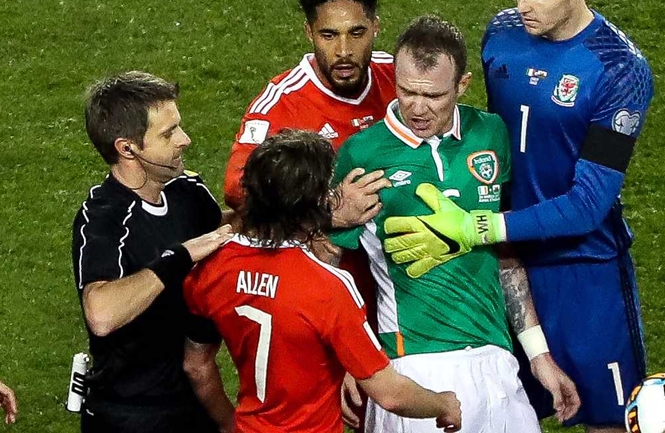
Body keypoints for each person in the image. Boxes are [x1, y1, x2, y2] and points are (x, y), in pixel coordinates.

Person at [384, 0, 654, 430]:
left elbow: (588, 205)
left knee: (608, 419)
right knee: (495, 414)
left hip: (584, 274)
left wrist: (479, 227)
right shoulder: (502, 33)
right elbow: (490, 143)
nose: (524, 5)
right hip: (503, 268)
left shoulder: (619, 68)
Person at [328, 15, 579, 433]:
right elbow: (329, 265)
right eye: (407, 91)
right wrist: (357, 359)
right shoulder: (362, 153)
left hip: (496, 360)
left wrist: (538, 355)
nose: (418, 107)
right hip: (413, 368)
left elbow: (503, 250)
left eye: (433, 96)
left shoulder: (490, 134)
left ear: (461, 86)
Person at [182, 129, 462, 433]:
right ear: (316, 204)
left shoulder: (212, 268)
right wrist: (443, 404)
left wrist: (229, 424)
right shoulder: (328, 287)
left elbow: (196, 367)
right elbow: (389, 393)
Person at [71, 71, 233, 433]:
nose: (185, 140)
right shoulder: (104, 217)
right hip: (129, 417)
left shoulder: (186, 191)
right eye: (168, 133)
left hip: (194, 402)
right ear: (127, 148)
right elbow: (101, 313)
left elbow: (225, 231)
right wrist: (179, 258)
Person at [223, 0, 393, 226]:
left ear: (375, 27)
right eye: (329, 35)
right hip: (325, 250)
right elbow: (237, 188)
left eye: (356, 33)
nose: (343, 51)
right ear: (309, 32)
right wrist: (326, 212)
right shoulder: (281, 103)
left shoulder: (399, 76)